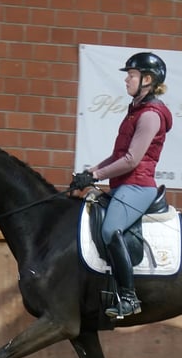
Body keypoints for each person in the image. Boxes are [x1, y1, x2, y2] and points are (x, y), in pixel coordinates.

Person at [69, 52, 173, 319]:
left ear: (147, 80)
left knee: (110, 229)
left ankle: (128, 297)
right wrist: (90, 171)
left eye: (131, 75)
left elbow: (131, 160)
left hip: (138, 186)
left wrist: (96, 176)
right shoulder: (135, 112)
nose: (126, 79)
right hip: (124, 184)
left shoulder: (150, 115)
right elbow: (118, 156)